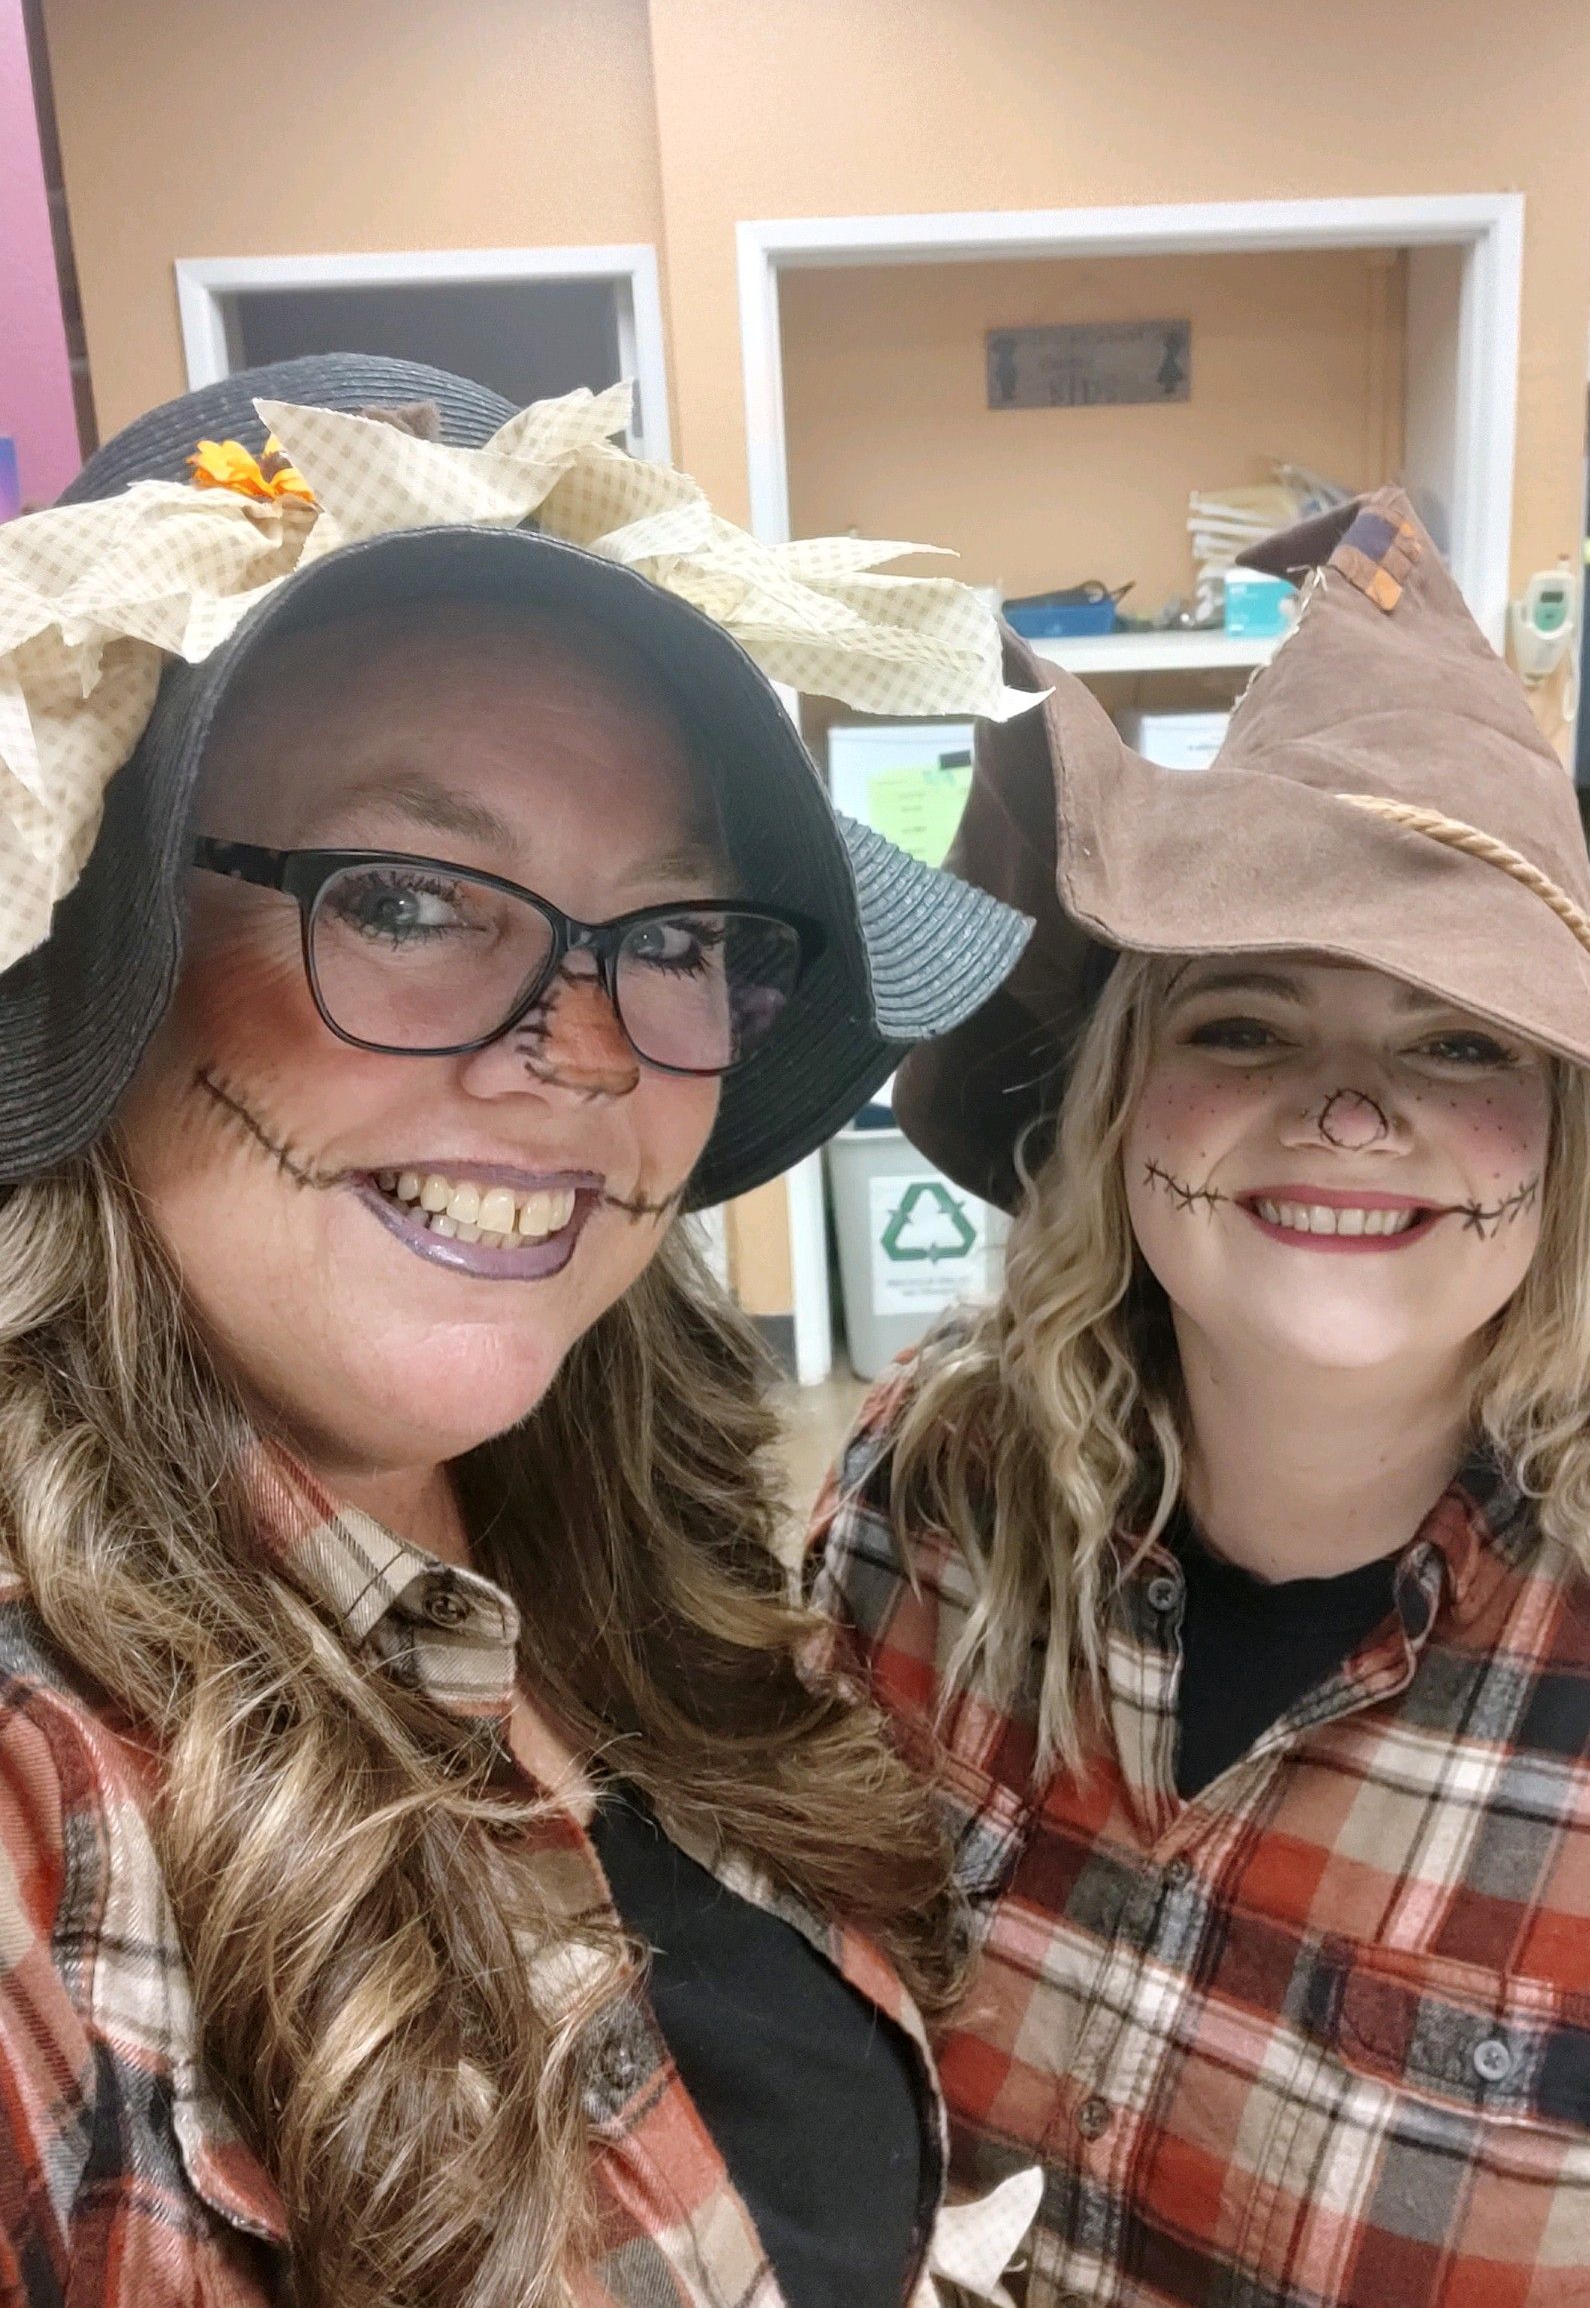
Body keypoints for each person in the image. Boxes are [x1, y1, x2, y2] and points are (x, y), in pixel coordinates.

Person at [0, 355, 1041, 2308]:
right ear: (98, 972)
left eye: (666, 934)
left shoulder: (650, 1532)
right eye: (407, 895)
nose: (573, 1054)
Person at [810, 491, 1590, 2308]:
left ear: (1577, 1147)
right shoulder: (925, 1493)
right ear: (1120, 1114)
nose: (1351, 1108)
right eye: (1240, 1023)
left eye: (1459, 1041)